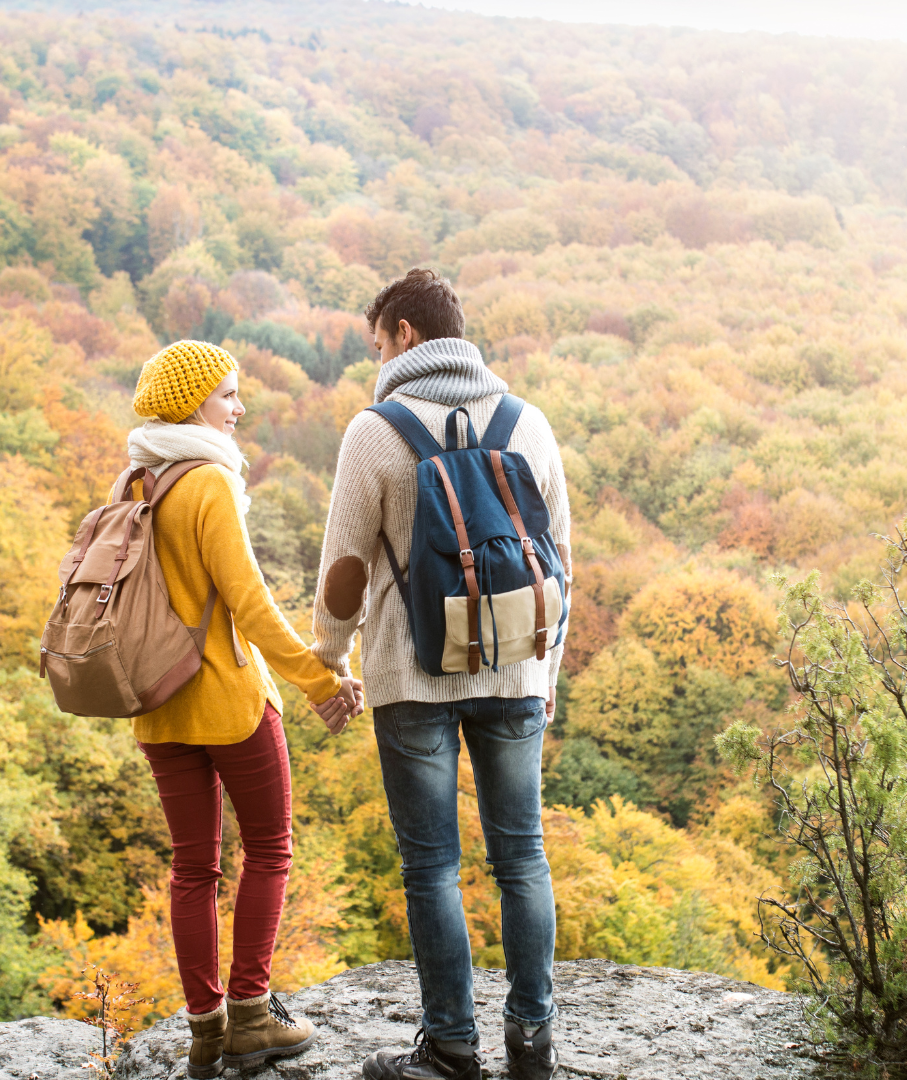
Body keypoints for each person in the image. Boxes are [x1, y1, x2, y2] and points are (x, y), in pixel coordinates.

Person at [311, 270, 570, 1080]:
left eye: (378, 342)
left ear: (406, 334)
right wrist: (547, 665)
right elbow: (561, 559)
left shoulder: (375, 431)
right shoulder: (530, 425)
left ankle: (452, 1046)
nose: (375, 358)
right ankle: (533, 1039)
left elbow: (343, 568)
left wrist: (329, 658)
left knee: (432, 867)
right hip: (515, 667)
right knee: (522, 857)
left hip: (412, 676)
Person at [124, 341, 364, 1079]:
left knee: (193, 867)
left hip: (158, 705)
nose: (239, 408)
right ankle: (252, 1015)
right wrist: (318, 680)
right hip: (228, 699)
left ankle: (205, 1031)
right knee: (269, 850)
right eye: (228, 395)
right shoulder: (209, 483)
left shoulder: (136, 480)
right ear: (193, 401)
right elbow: (250, 605)